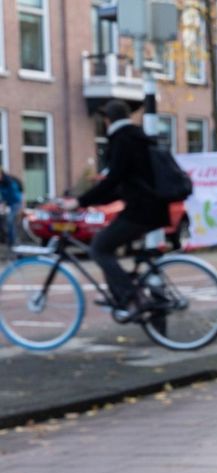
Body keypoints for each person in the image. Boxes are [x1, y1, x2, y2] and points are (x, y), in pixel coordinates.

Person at [63, 100, 169, 318]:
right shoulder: (138, 137)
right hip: (154, 207)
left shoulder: (122, 140)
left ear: (107, 119)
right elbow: (123, 185)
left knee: (99, 247)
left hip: (142, 209)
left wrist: (80, 201)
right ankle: (123, 296)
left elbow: (113, 180)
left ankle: (132, 297)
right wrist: (92, 201)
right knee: (110, 245)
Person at [0, 167, 23, 249]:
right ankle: (7, 239)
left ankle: (12, 242)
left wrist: (3, 202)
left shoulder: (10, 181)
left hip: (16, 203)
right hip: (9, 204)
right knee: (5, 220)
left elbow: (13, 195)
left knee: (10, 220)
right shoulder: (1, 183)